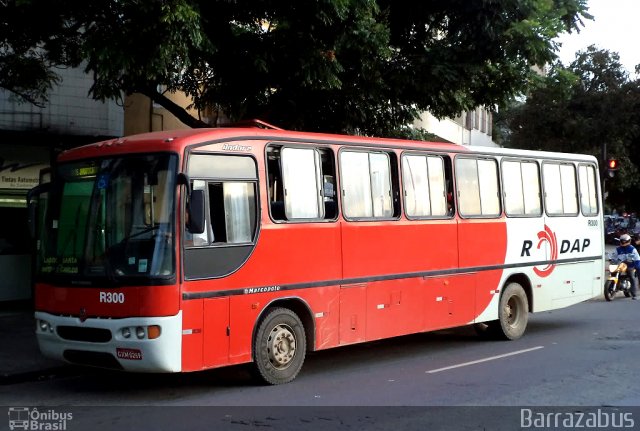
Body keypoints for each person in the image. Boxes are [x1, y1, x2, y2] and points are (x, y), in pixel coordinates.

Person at [614, 233, 639, 300]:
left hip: (630, 265)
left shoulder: (632, 249)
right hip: (620, 265)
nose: (623, 242)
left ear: (628, 241)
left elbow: (637, 258)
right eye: (622, 240)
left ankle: (634, 294)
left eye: (625, 241)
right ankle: (614, 287)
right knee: (613, 273)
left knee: (631, 276)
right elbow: (614, 257)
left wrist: (636, 266)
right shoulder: (618, 249)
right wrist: (612, 260)